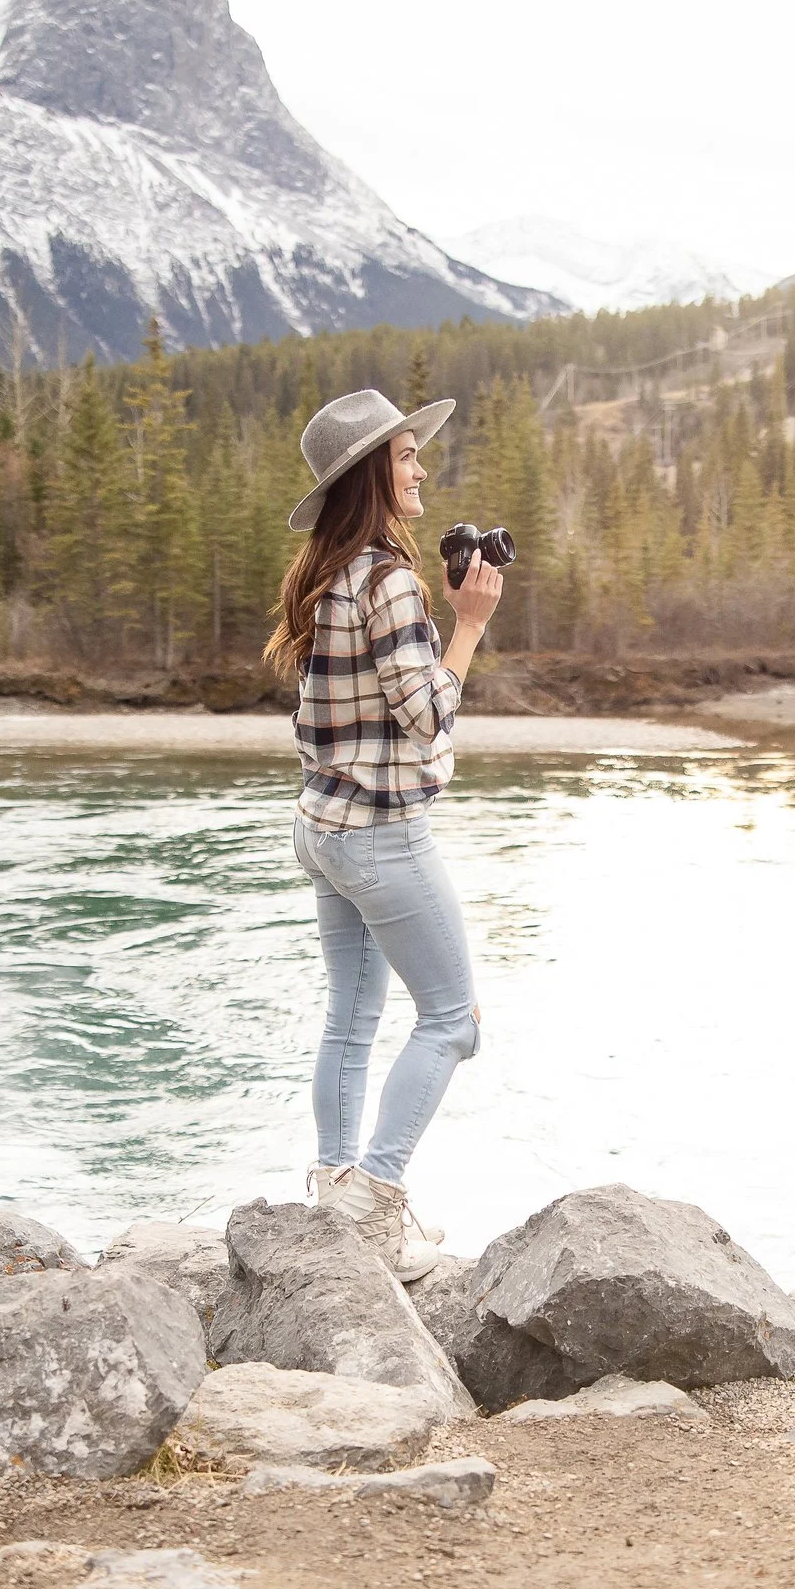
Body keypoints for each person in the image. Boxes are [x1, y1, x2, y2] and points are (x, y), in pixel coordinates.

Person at [263, 389, 506, 1282]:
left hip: (320, 827)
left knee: (354, 1016)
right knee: (453, 1021)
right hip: (381, 834)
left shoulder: (324, 573)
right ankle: (374, 1203)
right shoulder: (391, 580)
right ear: (372, 472)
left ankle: (336, 1191)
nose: (421, 469)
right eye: (406, 456)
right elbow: (424, 717)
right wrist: (469, 625)